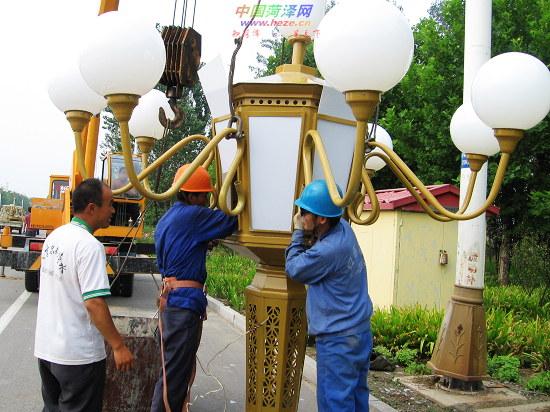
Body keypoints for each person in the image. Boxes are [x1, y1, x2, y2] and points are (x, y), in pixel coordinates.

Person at [34, 178, 135, 412]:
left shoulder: (54, 237)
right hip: (77, 357)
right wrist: (118, 346)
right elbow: (94, 304)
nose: (113, 210)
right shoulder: (89, 246)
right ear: (92, 208)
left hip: (47, 351)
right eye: (110, 204)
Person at [151, 164, 239, 412]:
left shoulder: (167, 219)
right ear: (190, 196)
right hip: (183, 305)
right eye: (203, 196)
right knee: (175, 378)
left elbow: (172, 257)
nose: (205, 202)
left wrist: (199, 244)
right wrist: (240, 194)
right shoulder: (192, 216)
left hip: (171, 302)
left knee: (172, 372)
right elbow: (231, 219)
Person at [285, 180, 374, 412]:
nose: (300, 216)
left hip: (338, 341)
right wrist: (312, 231)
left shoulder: (327, 251)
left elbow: (294, 268)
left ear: (322, 218)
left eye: (304, 212)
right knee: (356, 399)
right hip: (360, 332)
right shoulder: (343, 227)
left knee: (334, 404)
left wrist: (298, 232)